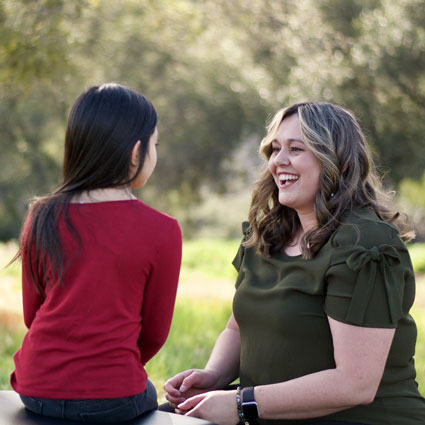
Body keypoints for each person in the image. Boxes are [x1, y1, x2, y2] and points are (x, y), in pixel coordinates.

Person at [164, 102, 425, 425]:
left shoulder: (365, 245)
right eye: (275, 149)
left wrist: (240, 403)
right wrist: (214, 374)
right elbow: (238, 327)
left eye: (296, 149)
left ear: (338, 162)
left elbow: (355, 384)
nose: (278, 161)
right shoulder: (267, 236)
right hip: (261, 413)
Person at [10, 83, 182, 423]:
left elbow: (33, 315)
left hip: (35, 387)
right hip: (114, 396)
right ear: (136, 152)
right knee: (156, 401)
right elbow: (154, 335)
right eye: (155, 144)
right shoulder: (162, 230)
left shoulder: (42, 214)